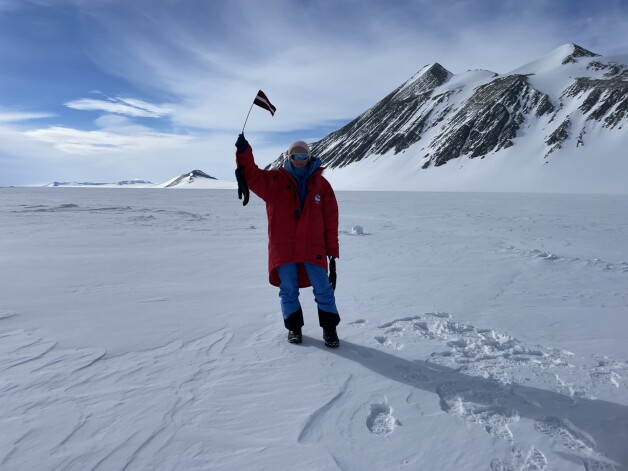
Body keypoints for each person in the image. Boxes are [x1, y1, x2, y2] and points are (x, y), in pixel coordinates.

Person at [235, 133, 341, 347]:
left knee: (323, 288)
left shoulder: (322, 185)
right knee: (288, 289)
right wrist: (244, 152)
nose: (300, 159)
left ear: (310, 157)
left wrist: (332, 250)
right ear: (289, 157)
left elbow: (331, 219)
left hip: (314, 246)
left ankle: (330, 330)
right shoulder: (274, 181)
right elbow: (252, 176)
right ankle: (294, 328)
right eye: (296, 155)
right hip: (284, 247)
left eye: (304, 155)